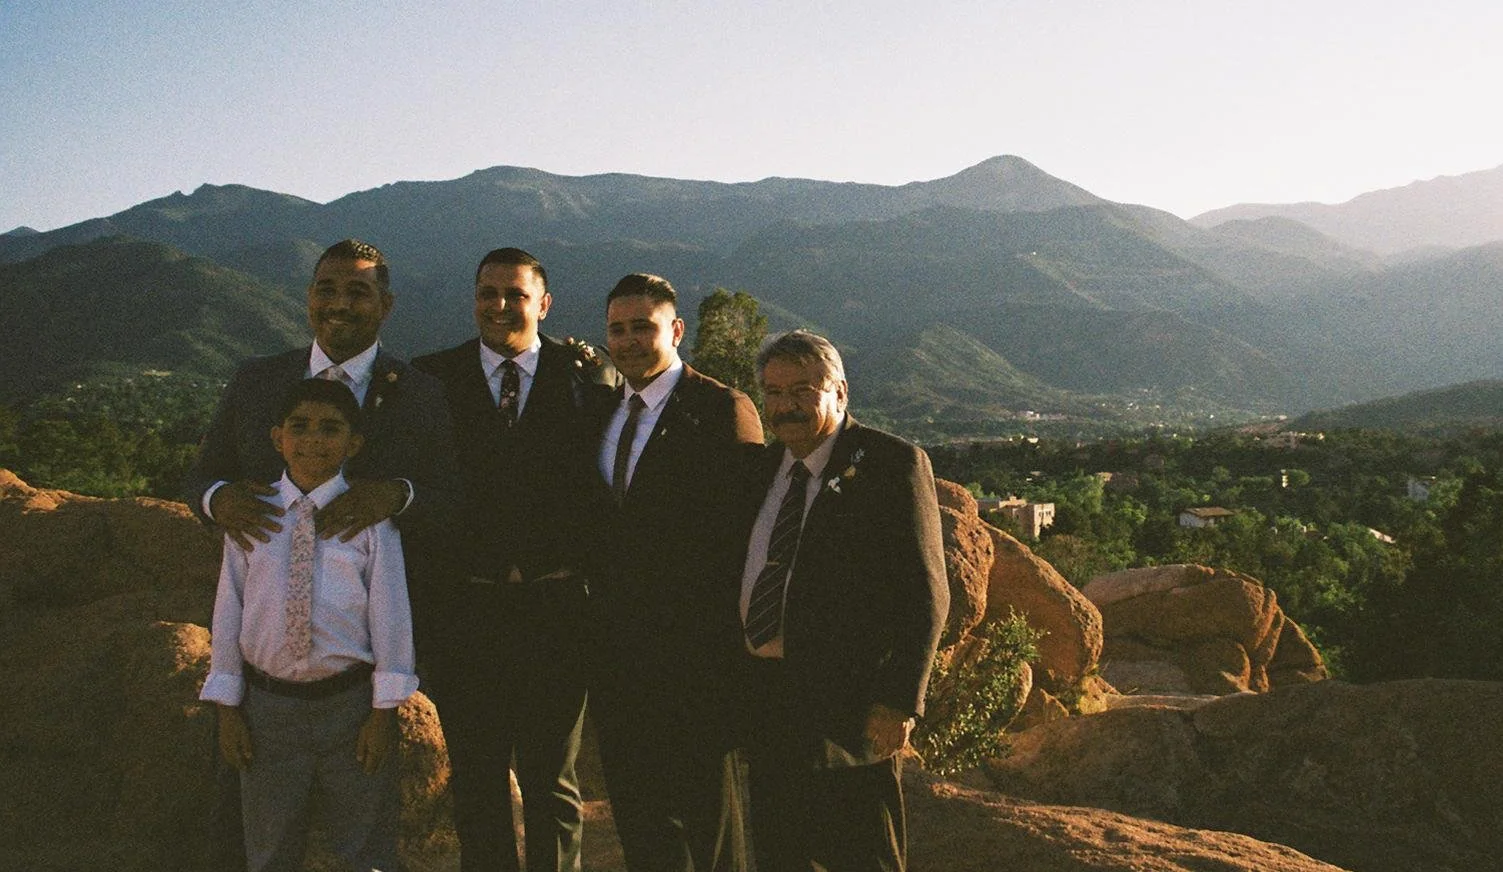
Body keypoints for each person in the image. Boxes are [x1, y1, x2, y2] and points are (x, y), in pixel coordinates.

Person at [186, 238, 457, 869]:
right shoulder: (258, 380)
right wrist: (218, 500)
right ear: (308, 298)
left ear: (385, 305)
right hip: (268, 667)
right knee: (256, 827)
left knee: (364, 831)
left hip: (362, 650)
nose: (339, 304)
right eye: (326, 289)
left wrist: (399, 494)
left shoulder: (418, 391)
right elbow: (203, 474)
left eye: (358, 291)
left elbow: (452, 496)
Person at [413, 247, 615, 872]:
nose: (499, 305)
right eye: (486, 292)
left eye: (515, 294)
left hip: (556, 610)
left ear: (544, 304)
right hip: (464, 609)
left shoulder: (590, 378)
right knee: (476, 778)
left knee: (552, 780)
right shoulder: (428, 380)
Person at [737, 329, 948, 872]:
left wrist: (900, 699)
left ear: (840, 392)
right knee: (781, 853)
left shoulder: (889, 464)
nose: (786, 405)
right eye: (774, 392)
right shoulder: (761, 469)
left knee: (864, 855)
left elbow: (926, 592)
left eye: (804, 389)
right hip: (766, 700)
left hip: (849, 708)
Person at [200, 377, 419, 872]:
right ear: (277, 438)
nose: (314, 440)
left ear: (353, 443)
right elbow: (228, 609)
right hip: (267, 711)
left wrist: (382, 714)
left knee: (363, 845)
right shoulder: (251, 516)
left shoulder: (369, 520)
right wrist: (229, 709)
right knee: (269, 845)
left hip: (350, 709)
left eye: (330, 429)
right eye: (299, 427)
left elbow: (390, 615)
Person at [587, 273, 763, 871]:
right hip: (616, 656)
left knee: (709, 822)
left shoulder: (722, 410)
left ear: (676, 330)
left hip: (695, 661)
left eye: (644, 327)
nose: (630, 341)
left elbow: (743, 542)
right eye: (618, 329)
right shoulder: (606, 409)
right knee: (640, 818)